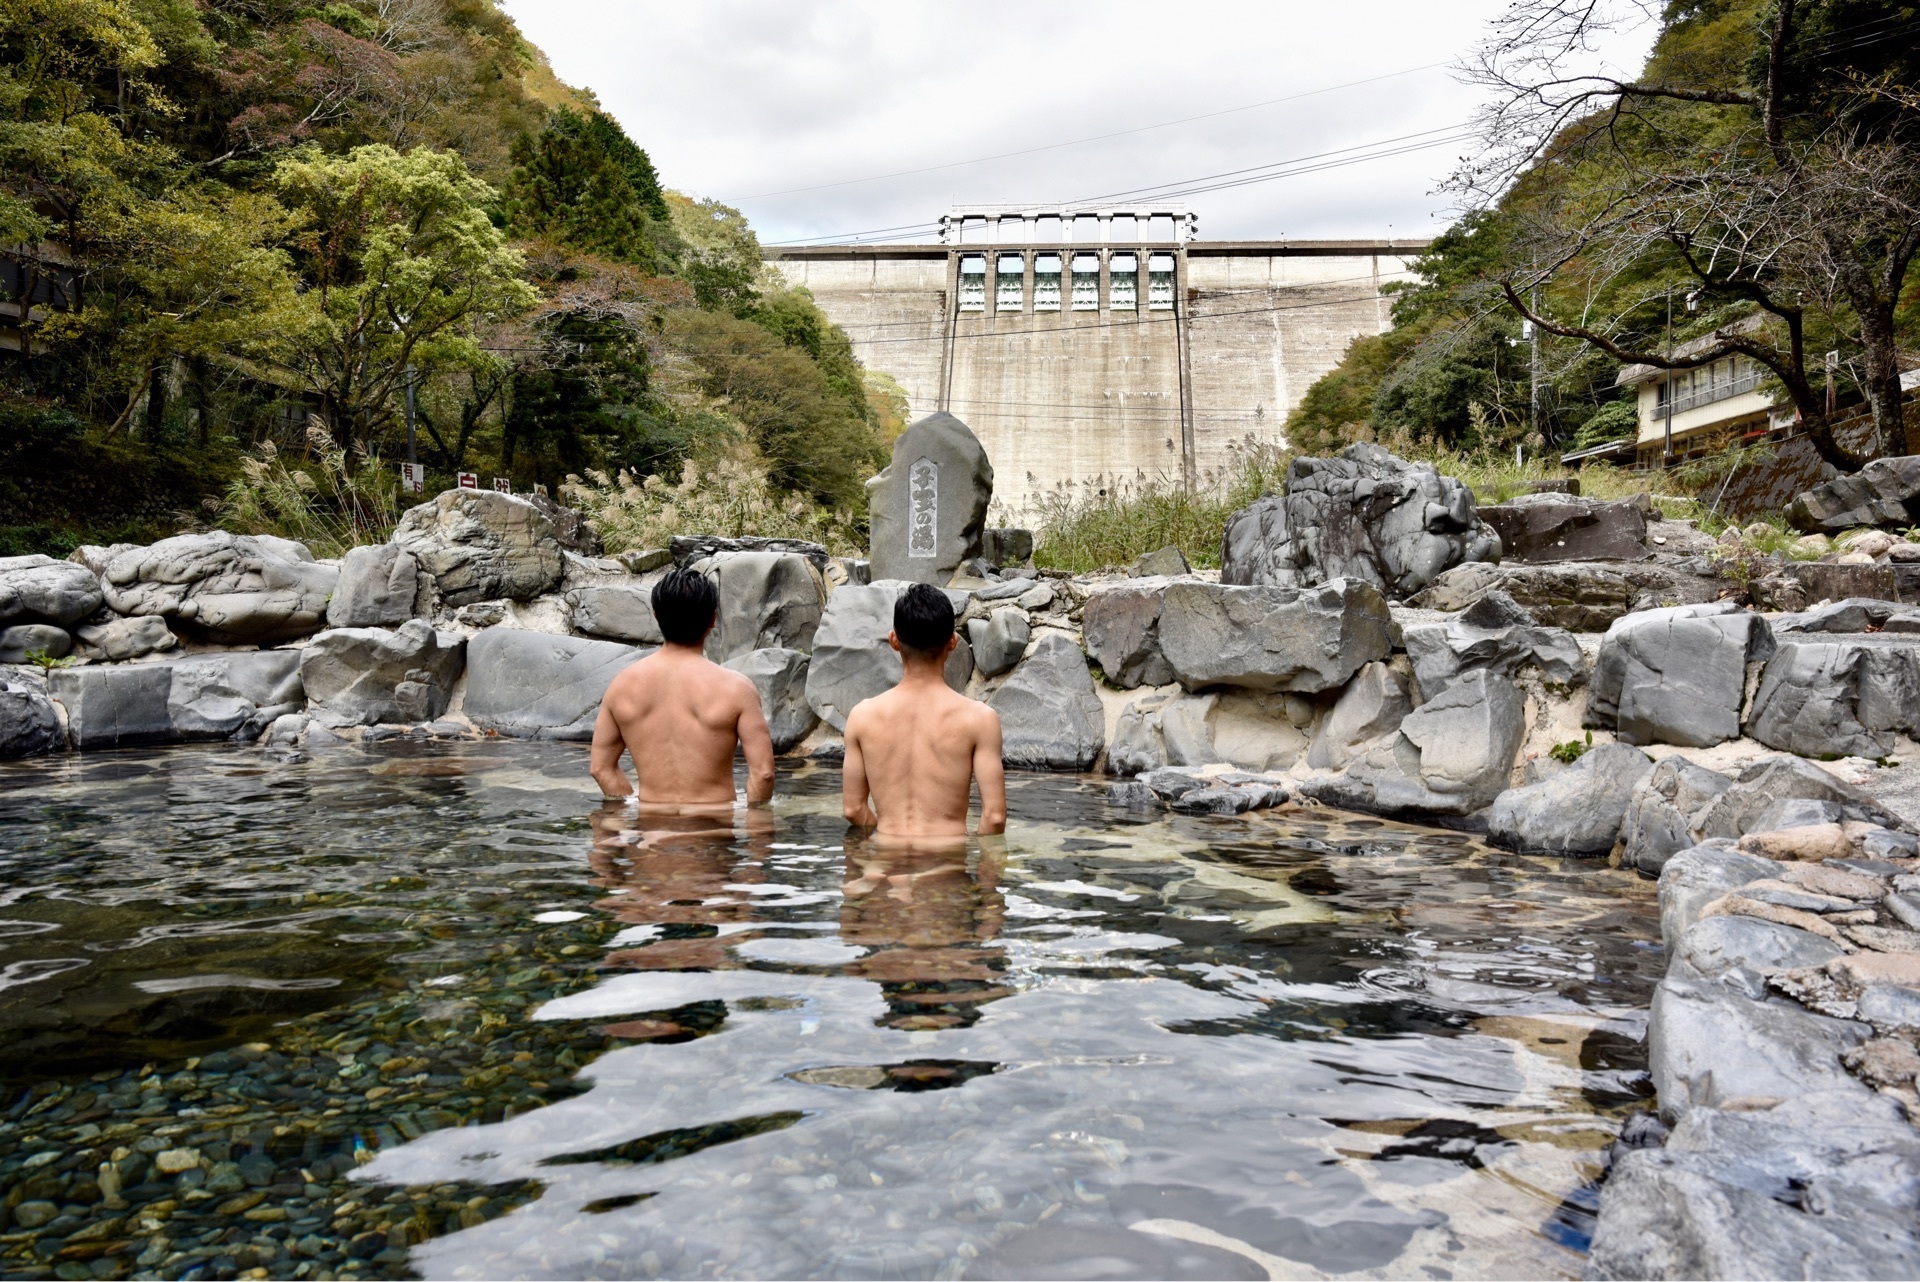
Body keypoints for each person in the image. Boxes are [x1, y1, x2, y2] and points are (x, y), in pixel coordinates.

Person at [590, 567, 775, 809]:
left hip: (650, 838)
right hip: (713, 835)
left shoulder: (622, 686)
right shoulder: (736, 689)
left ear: (656, 616)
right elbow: (763, 774)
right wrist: (757, 834)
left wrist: (638, 809)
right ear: (713, 619)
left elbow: (601, 768)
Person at [842, 583, 1006, 839]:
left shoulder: (862, 716)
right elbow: (994, 818)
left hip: (886, 866)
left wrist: (888, 839)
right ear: (952, 643)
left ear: (894, 640)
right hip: (946, 868)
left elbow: (853, 809)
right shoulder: (980, 719)